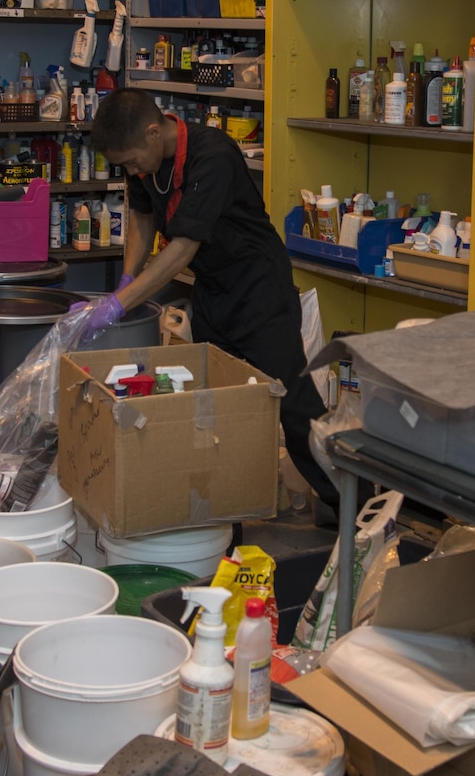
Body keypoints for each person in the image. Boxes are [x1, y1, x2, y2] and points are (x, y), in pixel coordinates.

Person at [76, 88, 339, 520]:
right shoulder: (145, 159)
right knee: (218, 408)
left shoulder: (213, 156)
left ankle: (355, 510)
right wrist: (126, 277)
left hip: (258, 287)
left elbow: (181, 250)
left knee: (293, 406)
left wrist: (119, 305)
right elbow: (142, 216)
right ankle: (227, 513)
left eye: (129, 161)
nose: (130, 170)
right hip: (214, 289)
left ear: (153, 131)